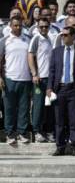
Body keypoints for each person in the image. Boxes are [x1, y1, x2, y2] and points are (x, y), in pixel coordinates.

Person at [47, 26, 75, 156]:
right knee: (59, 119)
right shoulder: (56, 51)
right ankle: (60, 146)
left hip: (73, 88)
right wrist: (49, 87)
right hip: (60, 89)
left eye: (66, 35)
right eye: (62, 35)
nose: (63, 37)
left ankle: (74, 145)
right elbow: (52, 71)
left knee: (74, 119)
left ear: (73, 36)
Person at [0, 16, 32, 144]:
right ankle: (9, 134)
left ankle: (22, 133)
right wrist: (0, 77)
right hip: (10, 78)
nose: (18, 28)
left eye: (20, 25)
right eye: (15, 25)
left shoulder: (28, 40)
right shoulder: (4, 41)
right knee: (9, 108)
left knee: (24, 108)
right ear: (10, 26)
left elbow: (32, 58)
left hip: (25, 78)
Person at [28, 18, 53, 142]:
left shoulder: (49, 39)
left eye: (46, 26)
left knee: (48, 106)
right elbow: (30, 55)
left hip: (49, 78)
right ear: (38, 27)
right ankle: (36, 131)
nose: (44, 29)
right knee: (37, 106)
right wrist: (34, 74)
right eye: (41, 26)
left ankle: (45, 131)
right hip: (40, 78)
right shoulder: (36, 38)